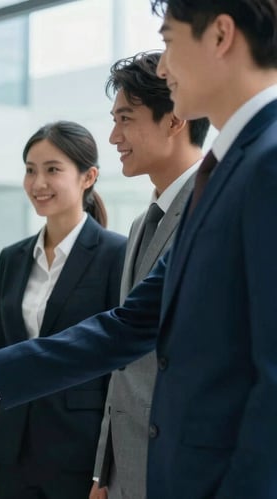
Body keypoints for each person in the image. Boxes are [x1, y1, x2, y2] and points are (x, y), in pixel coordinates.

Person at [0, 1, 277, 497]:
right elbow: (130, 325)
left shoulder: (267, 163)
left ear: (220, 36)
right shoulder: (226, 171)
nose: (164, 66)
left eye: (168, 40)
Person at [0, 121, 126, 499]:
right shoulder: (13, 258)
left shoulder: (116, 254)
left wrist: (105, 468)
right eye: (30, 169)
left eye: (52, 169)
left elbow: (120, 372)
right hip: (11, 451)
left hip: (80, 454)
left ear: (88, 177)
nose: (38, 183)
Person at [89, 52, 210, 499]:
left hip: (182, 471)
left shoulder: (215, 209)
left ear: (175, 118)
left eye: (126, 118)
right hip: (128, 471)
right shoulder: (141, 224)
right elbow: (124, 358)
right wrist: (105, 470)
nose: (113, 135)